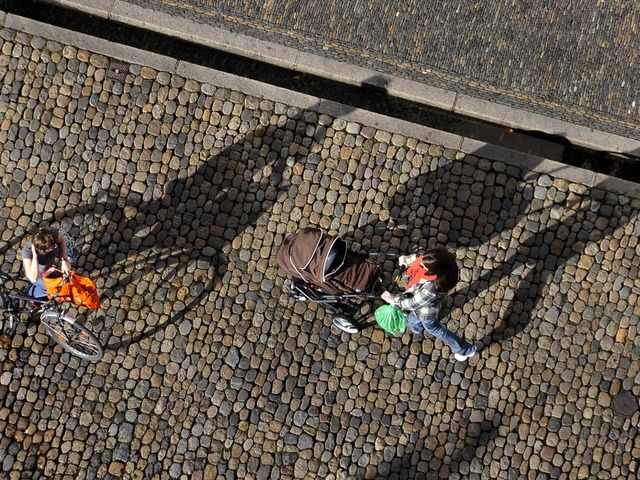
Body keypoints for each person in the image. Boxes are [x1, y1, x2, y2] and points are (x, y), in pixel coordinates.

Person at [381, 247, 477, 361]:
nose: (421, 264)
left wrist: (393, 300)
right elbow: (423, 258)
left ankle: (465, 350)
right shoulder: (446, 264)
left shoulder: (431, 289)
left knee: (434, 328)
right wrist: (407, 259)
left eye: (424, 266)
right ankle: (416, 326)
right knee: (414, 319)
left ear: (434, 271)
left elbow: (412, 304)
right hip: (436, 302)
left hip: (426, 312)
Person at [22, 227, 72, 299]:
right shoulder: (27, 252)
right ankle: (29, 293)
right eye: (52, 247)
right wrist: (35, 257)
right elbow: (33, 278)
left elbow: (61, 240)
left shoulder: (50, 234)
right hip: (37, 273)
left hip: (47, 264)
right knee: (49, 289)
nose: (55, 246)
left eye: (54, 244)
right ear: (42, 250)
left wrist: (64, 260)